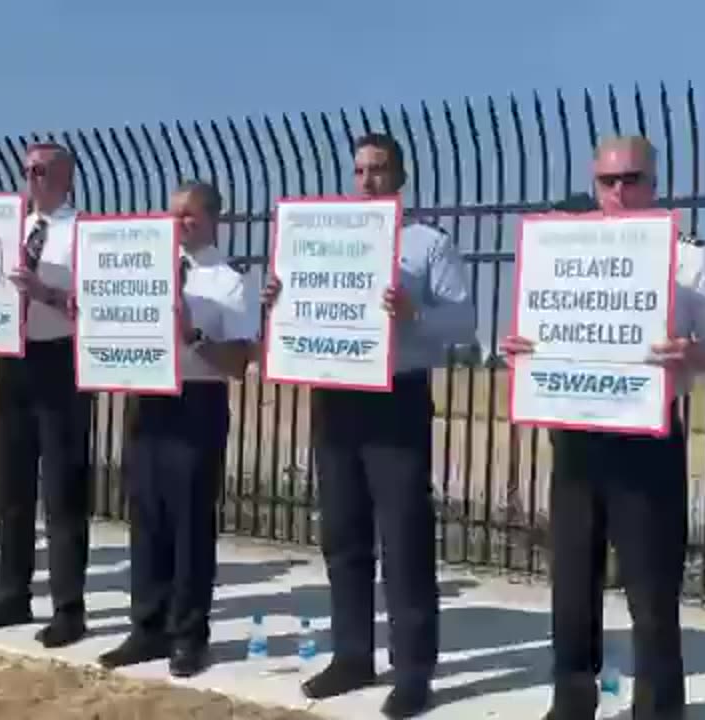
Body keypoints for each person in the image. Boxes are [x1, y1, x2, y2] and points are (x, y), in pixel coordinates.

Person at [501, 135, 705, 720]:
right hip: (576, 439)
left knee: (652, 590)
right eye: (607, 181)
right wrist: (521, 352)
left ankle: (659, 709)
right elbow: (541, 336)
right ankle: (572, 698)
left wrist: (689, 352)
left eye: (630, 179)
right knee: (571, 583)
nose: (617, 192)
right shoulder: (562, 253)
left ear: (654, 183)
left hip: (647, 441)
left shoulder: (688, 258)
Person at [261, 133, 476, 718]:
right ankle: (352, 654)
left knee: (404, 540)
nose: (367, 181)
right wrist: (280, 297)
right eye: (359, 170)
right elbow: (294, 314)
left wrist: (415, 313)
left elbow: (464, 321)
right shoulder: (323, 242)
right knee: (343, 536)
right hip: (336, 399)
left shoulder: (427, 244)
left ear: (399, 176)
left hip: (396, 399)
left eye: (378, 169)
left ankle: (413, 671)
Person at [97, 181, 259, 677]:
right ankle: (147, 626)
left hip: (197, 402)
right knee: (146, 515)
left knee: (189, 520)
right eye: (173, 215)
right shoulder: (139, 273)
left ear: (213, 220)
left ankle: (188, 634)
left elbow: (238, 362)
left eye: (189, 215)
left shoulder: (230, 281)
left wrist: (193, 333)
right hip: (148, 399)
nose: (179, 224)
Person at [0, 143, 92, 648]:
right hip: (13, 361)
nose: (30, 178)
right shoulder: (7, 230)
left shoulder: (83, 233)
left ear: (65, 176)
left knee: (62, 492)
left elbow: (97, 306)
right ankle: (11, 594)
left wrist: (46, 293)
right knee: (10, 489)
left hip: (61, 359)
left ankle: (68, 609)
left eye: (40, 170)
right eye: (26, 170)